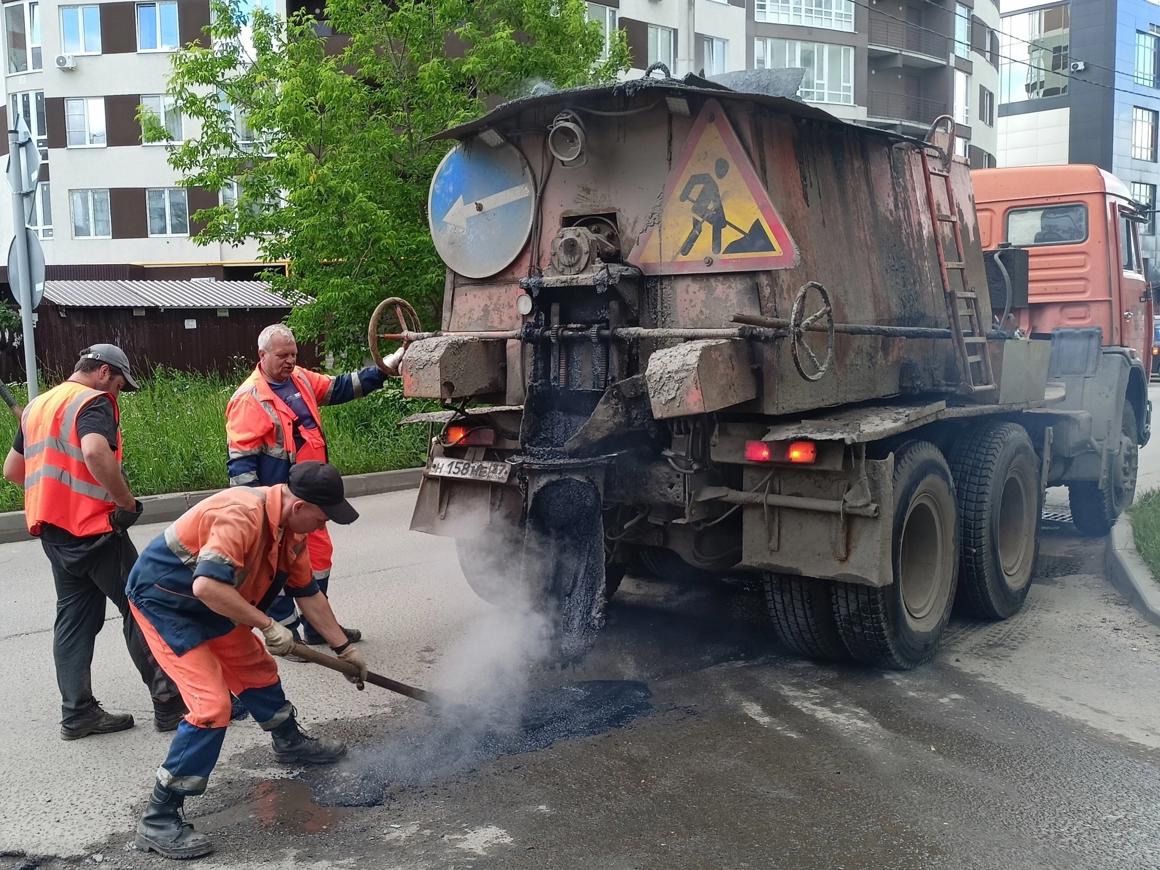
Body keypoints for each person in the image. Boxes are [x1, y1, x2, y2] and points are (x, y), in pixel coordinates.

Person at [126, 461, 371, 860]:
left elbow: (308, 593)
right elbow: (205, 585)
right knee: (212, 707)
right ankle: (158, 817)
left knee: (256, 669)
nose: (322, 526)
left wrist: (344, 649)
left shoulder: (290, 531)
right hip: (167, 602)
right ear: (299, 506)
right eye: (322, 517)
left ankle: (289, 742)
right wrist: (268, 625)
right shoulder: (241, 514)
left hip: (215, 603)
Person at [2, 344, 186, 739]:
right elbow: (94, 451)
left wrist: (61, 490)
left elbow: (13, 470)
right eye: (120, 385)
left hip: (54, 533)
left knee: (74, 619)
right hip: (96, 531)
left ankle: (78, 713)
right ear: (104, 372)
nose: (118, 393)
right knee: (142, 607)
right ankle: (170, 704)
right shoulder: (94, 401)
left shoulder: (40, 406)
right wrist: (125, 501)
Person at [224, 323, 404, 647]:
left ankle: (317, 625)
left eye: (293, 354)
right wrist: (256, 512)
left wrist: (388, 364)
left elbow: (343, 387)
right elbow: (240, 467)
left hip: (311, 499)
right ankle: (288, 635)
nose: (290, 361)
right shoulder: (249, 399)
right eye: (282, 355)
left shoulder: (301, 379)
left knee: (318, 560)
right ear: (262, 355)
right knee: (276, 569)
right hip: (278, 505)